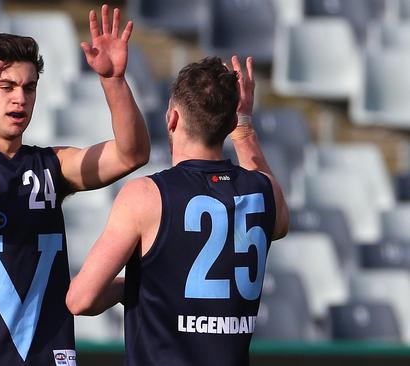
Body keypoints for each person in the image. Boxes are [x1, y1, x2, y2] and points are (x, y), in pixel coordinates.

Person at [0, 4, 150, 365]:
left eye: (29, 87)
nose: (20, 98)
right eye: (6, 86)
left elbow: (131, 154)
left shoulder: (51, 166)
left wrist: (113, 82)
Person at [66, 56, 289, 366]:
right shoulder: (264, 192)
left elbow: (80, 299)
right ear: (230, 123)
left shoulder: (146, 196)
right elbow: (279, 220)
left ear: (171, 119)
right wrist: (245, 126)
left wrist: (132, 284)